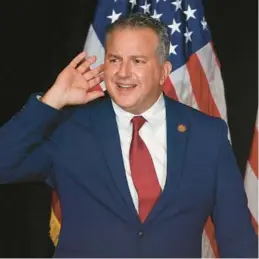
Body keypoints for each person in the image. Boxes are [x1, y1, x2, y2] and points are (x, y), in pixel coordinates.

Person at [0, 13, 257, 258]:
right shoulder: (70, 129)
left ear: (163, 72)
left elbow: (237, 236)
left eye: (137, 61)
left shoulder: (207, 135)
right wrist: (50, 101)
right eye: (114, 59)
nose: (123, 73)